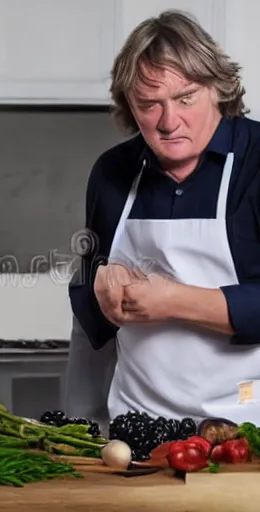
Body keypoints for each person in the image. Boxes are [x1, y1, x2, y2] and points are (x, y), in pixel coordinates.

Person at [69, 10, 260, 424]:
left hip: (247, 423)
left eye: (185, 98)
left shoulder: (256, 162)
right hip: (137, 426)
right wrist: (101, 283)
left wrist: (174, 300)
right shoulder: (112, 172)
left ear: (217, 89)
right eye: (149, 105)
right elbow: (85, 296)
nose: (169, 122)